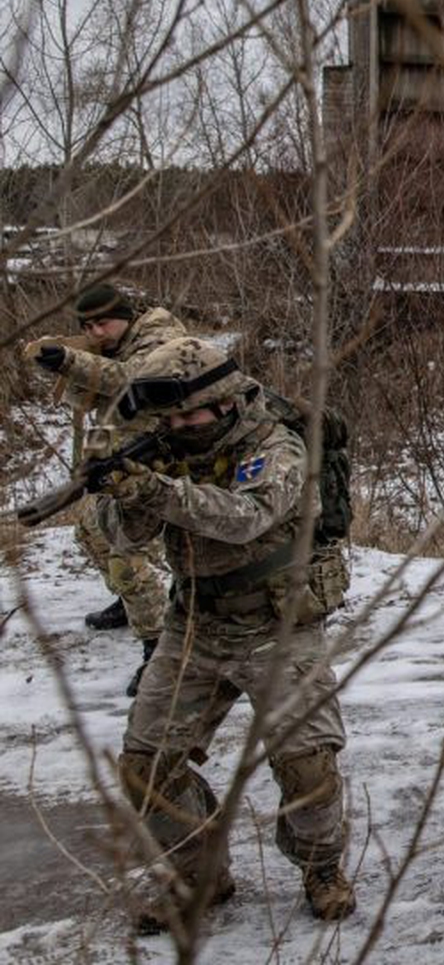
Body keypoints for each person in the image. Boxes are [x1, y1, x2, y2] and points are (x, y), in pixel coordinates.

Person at [98, 337, 355, 932]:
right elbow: (123, 539)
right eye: (173, 416)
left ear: (227, 403)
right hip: (194, 626)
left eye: (192, 414)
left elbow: (245, 519)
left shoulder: (275, 443)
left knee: (307, 765)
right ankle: (200, 874)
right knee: (145, 768)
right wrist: (129, 493)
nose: (182, 426)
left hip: (277, 625)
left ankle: (322, 868)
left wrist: (157, 490)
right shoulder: (163, 450)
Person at [24, 284, 182, 695]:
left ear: (125, 316)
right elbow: (89, 401)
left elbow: (136, 379)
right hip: (121, 451)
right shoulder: (113, 345)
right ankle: (132, 605)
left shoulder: (160, 335)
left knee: (126, 558)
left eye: (103, 323)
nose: (96, 332)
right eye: (87, 326)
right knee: (90, 533)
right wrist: (66, 366)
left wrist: (72, 359)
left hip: (166, 459)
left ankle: (160, 650)